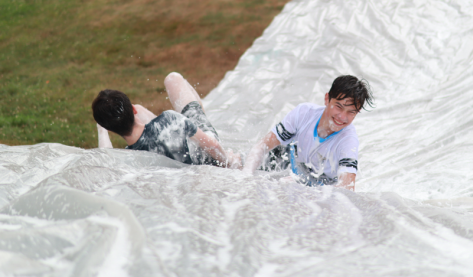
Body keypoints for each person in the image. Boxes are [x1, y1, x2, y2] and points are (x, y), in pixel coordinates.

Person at [243, 75, 373, 191]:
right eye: (339, 107)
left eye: (351, 112)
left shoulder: (348, 140)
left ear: (358, 112)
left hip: (319, 184)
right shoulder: (304, 113)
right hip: (287, 160)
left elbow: (347, 189)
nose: (342, 117)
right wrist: (246, 178)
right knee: (245, 165)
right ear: (327, 99)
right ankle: (230, 158)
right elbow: (262, 146)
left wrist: (302, 186)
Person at [93, 72, 241, 168]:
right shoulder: (170, 120)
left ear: (110, 130)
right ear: (133, 110)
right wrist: (229, 162)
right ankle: (199, 112)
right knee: (173, 79)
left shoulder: (131, 158)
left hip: (175, 161)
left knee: (152, 126)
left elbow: (107, 161)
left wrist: (102, 130)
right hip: (204, 155)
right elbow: (213, 145)